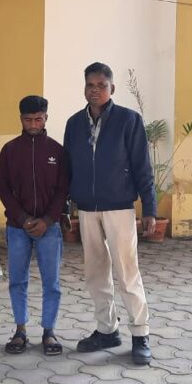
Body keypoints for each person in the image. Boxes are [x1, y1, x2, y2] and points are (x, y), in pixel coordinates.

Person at [63, 61, 156, 365]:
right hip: (87, 210)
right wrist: (66, 206)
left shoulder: (129, 120)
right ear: (84, 88)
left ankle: (140, 335)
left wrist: (149, 209)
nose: (95, 90)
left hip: (119, 208)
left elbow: (143, 167)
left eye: (101, 85)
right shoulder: (74, 124)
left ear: (112, 88)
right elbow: (67, 169)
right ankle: (107, 330)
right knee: (95, 273)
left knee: (127, 272)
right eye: (90, 85)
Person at [0, 95, 69, 356]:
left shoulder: (57, 151)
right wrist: (23, 219)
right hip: (18, 228)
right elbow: (3, 189)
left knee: (52, 283)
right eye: (28, 120)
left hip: (49, 228)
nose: (33, 125)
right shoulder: (9, 150)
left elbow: (63, 190)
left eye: (38, 119)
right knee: (17, 280)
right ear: (21, 119)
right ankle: (20, 331)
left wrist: (47, 220)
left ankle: (49, 332)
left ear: (46, 118)